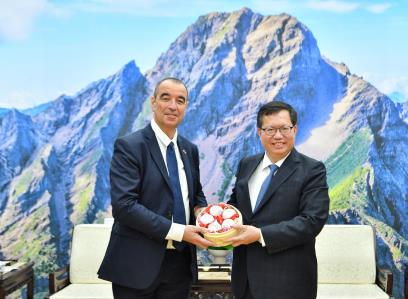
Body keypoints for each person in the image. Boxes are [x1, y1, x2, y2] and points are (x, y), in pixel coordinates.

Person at [98, 77, 213, 299]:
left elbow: (195, 194)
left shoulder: (190, 150)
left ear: (186, 106)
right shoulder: (130, 146)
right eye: (165, 98)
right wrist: (181, 232)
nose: (173, 106)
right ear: (153, 103)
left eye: (180, 100)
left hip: (180, 266)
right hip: (136, 265)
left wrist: (202, 213)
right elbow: (124, 206)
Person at [227, 101, 330, 299]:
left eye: (284, 128)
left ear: (295, 129)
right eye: (270, 129)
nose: (278, 136)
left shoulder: (312, 170)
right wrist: (216, 220)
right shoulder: (246, 164)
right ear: (259, 132)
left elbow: (312, 222)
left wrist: (259, 235)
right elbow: (236, 206)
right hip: (244, 280)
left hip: (287, 284)